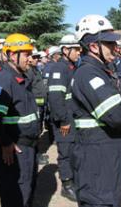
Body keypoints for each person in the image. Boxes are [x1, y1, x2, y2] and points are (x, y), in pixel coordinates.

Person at [72, 14, 121, 207]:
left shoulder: (101, 71)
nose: (116, 47)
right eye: (109, 43)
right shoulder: (88, 74)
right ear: (92, 46)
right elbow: (117, 114)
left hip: (105, 156)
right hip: (96, 161)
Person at [0, 33, 41, 207]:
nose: (30, 58)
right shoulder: (4, 80)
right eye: (27, 54)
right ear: (13, 55)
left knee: (27, 193)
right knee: (16, 197)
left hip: (28, 148)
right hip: (16, 153)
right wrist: (5, 143)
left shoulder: (20, 78)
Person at [47, 34, 81, 201]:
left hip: (71, 117)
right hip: (64, 120)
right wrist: (63, 120)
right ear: (66, 50)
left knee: (73, 150)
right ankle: (67, 185)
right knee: (66, 151)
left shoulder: (70, 67)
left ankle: (74, 179)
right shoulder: (59, 68)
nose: (79, 53)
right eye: (76, 49)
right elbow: (55, 97)